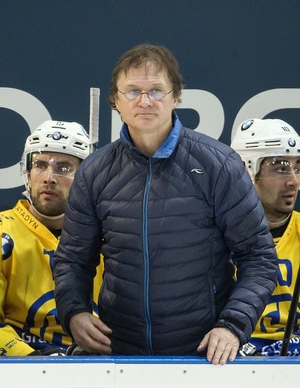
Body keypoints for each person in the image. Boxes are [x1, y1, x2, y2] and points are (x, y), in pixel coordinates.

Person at [53, 43, 278, 365]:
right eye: (132, 91)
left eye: (156, 90)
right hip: (118, 354)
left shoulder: (219, 164)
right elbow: (73, 260)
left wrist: (232, 327)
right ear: (115, 100)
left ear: (176, 97)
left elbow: (259, 258)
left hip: (204, 354)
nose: (144, 101)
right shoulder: (95, 170)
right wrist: (74, 312)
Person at [0, 120, 103, 356]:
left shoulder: (111, 238)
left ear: (87, 178)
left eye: (64, 167)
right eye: (40, 164)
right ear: (27, 172)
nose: (49, 177)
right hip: (19, 369)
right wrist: (31, 360)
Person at [231, 118, 300, 356]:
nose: (293, 181)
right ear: (246, 170)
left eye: (297, 166)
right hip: (237, 361)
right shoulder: (214, 240)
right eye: (280, 167)